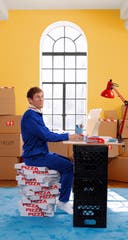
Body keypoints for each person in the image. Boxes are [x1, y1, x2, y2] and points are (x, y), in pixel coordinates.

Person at [21, 87, 83, 215]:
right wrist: (68, 136)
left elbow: (44, 133)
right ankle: (63, 201)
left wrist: (66, 134)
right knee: (68, 167)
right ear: (30, 100)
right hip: (35, 156)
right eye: (38, 97)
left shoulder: (35, 114)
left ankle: (59, 196)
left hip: (40, 152)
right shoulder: (30, 116)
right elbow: (47, 136)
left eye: (42, 96)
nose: (41, 99)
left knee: (67, 161)